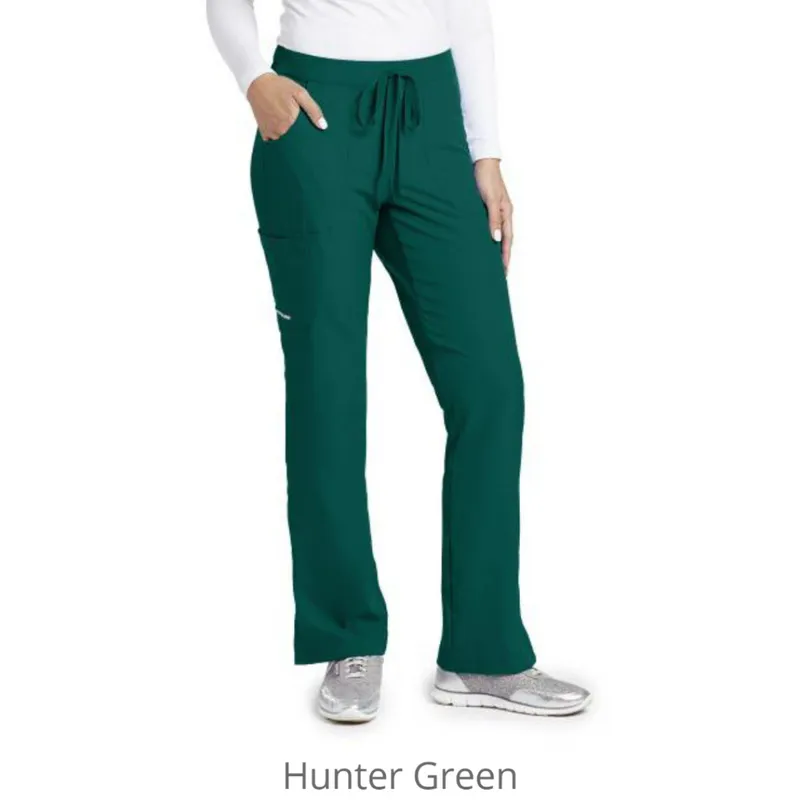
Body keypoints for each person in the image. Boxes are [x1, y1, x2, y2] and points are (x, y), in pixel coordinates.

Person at [207, 0, 590, 722]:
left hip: (433, 117)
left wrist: (486, 153)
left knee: (490, 388)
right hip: (314, 110)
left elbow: (467, 12)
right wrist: (252, 76)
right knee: (327, 389)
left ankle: (482, 653)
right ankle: (348, 637)